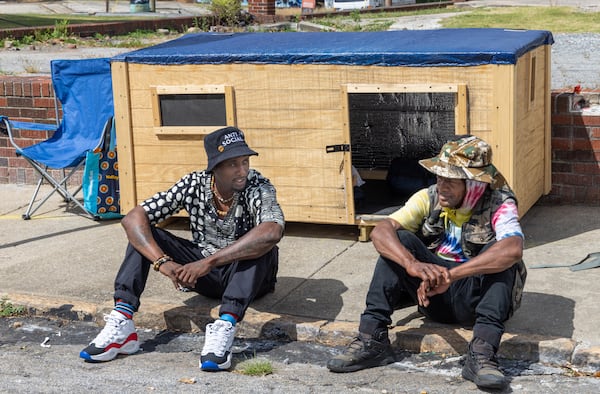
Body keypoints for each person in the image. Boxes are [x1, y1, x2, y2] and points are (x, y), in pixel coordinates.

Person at [327, 136, 526, 390]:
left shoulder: (500, 203)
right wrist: (411, 264)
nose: (441, 186)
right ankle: (372, 340)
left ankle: (482, 354)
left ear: (474, 181)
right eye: (439, 177)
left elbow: (513, 249)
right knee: (398, 240)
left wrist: (450, 277)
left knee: (501, 254)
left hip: (475, 300)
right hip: (431, 295)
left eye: (451, 180)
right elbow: (380, 231)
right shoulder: (428, 197)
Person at [79, 126, 285, 371]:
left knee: (262, 245)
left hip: (248, 277)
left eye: (244, 162)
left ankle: (225, 325)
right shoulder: (193, 184)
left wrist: (207, 262)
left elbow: (272, 230)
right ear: (215, 167)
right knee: (143, 235)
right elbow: (133, 218)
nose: (242, 171)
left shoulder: (257, 185)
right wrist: (162, 262)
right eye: (232, 165)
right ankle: (123, 323)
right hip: (204, 275)